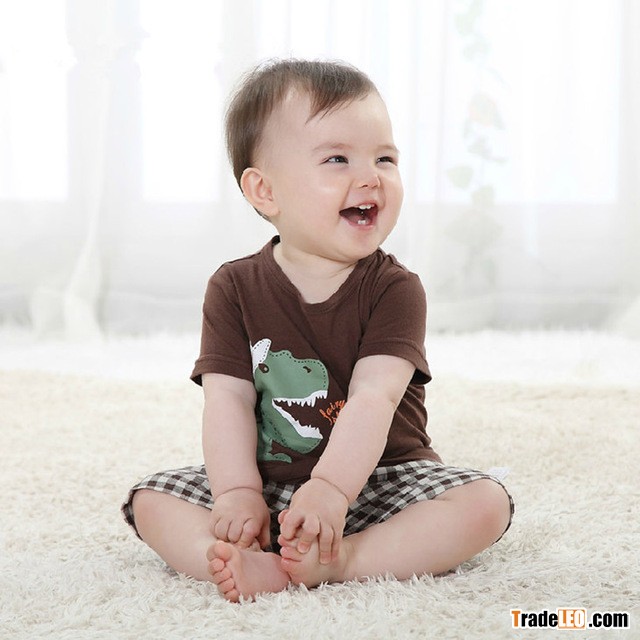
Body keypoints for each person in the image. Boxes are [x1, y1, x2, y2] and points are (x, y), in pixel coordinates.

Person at [121, 58, 514, 603]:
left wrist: (330, 491)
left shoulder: (395, 290)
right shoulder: (233, 288)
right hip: (268, 486)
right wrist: (237, 493)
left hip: (381, 482)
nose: (371, 177)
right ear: (265, 191)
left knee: (485, 504)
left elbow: (374, 398)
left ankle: (344, 559)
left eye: (385, 158)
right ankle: (247, 559)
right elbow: (227, 401)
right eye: (337, 159)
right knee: (151, 500)